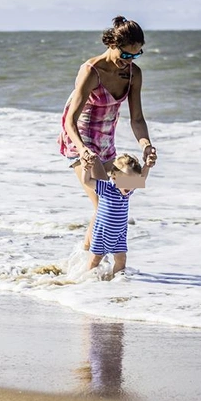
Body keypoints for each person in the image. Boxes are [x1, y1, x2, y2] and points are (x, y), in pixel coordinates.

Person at [57, 16, 158, 249]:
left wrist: (146, 146)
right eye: (126, 55)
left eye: (136, 55)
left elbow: (137, 118)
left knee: (127, 190)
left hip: (106, 143)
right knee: (105, 203)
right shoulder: (92, 70)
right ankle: (90, 268)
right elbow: (70, 121)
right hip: (80, 141)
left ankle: (93, 266)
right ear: (112, 44)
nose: (129, 61)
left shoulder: (134, 74)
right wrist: (82, 150)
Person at [80, 154, 150, 279]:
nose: (130, 186)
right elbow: (86, 181)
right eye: (126, 181)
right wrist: (86, 168)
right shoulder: (106, 188)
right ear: (114, 177)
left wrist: (147, 165)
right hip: (101, 234)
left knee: (121, 260)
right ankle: (87, 281)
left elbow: (142, 178)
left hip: (119, 235)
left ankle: (117, 283)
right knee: (95, 260)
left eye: (132, 182)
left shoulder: (128, 191)